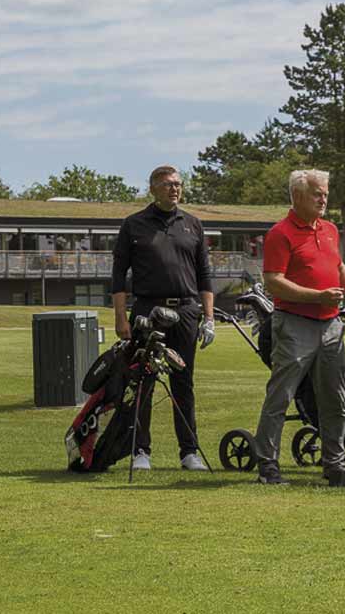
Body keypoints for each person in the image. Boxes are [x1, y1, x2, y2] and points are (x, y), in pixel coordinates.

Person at [252, 169, 345, 487]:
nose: (324, 198)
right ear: (298, 196)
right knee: (281, 396)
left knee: (334, 398)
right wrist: (318, 296)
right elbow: (274, 282)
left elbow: (338, 267)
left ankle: (334, 464)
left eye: (325, 192)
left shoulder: (329, 229)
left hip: (331, 326)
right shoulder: (280, 233)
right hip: (295, 324)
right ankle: (268, 466)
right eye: (317, 193)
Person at [110, 165, 216, 471]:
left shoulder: (193, 224)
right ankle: (141, 450)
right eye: (169, 184)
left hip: (185, 311)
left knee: (184, 381)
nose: (175, 189)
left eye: (179, 185)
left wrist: (208, 318)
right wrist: (121, 318)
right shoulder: (134, 225)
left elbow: (205, 275)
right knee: (143, 380)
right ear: (153, 188)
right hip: (147, 310)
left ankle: (189, 452)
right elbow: (119, 275)